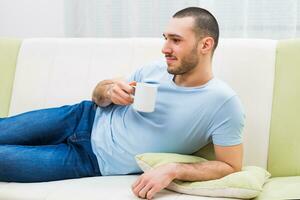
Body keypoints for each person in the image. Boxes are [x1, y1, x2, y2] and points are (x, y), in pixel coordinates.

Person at [0, 7, 244, 200]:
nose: (165, 48)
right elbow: (98, 94)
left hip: (90, 160)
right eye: (165, 38)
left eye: (176, 40)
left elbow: (230, 166)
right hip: (80, 117)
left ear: (205, 45)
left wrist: (175, 169)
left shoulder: (223, 103)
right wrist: (108, 90)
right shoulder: (154, 69)